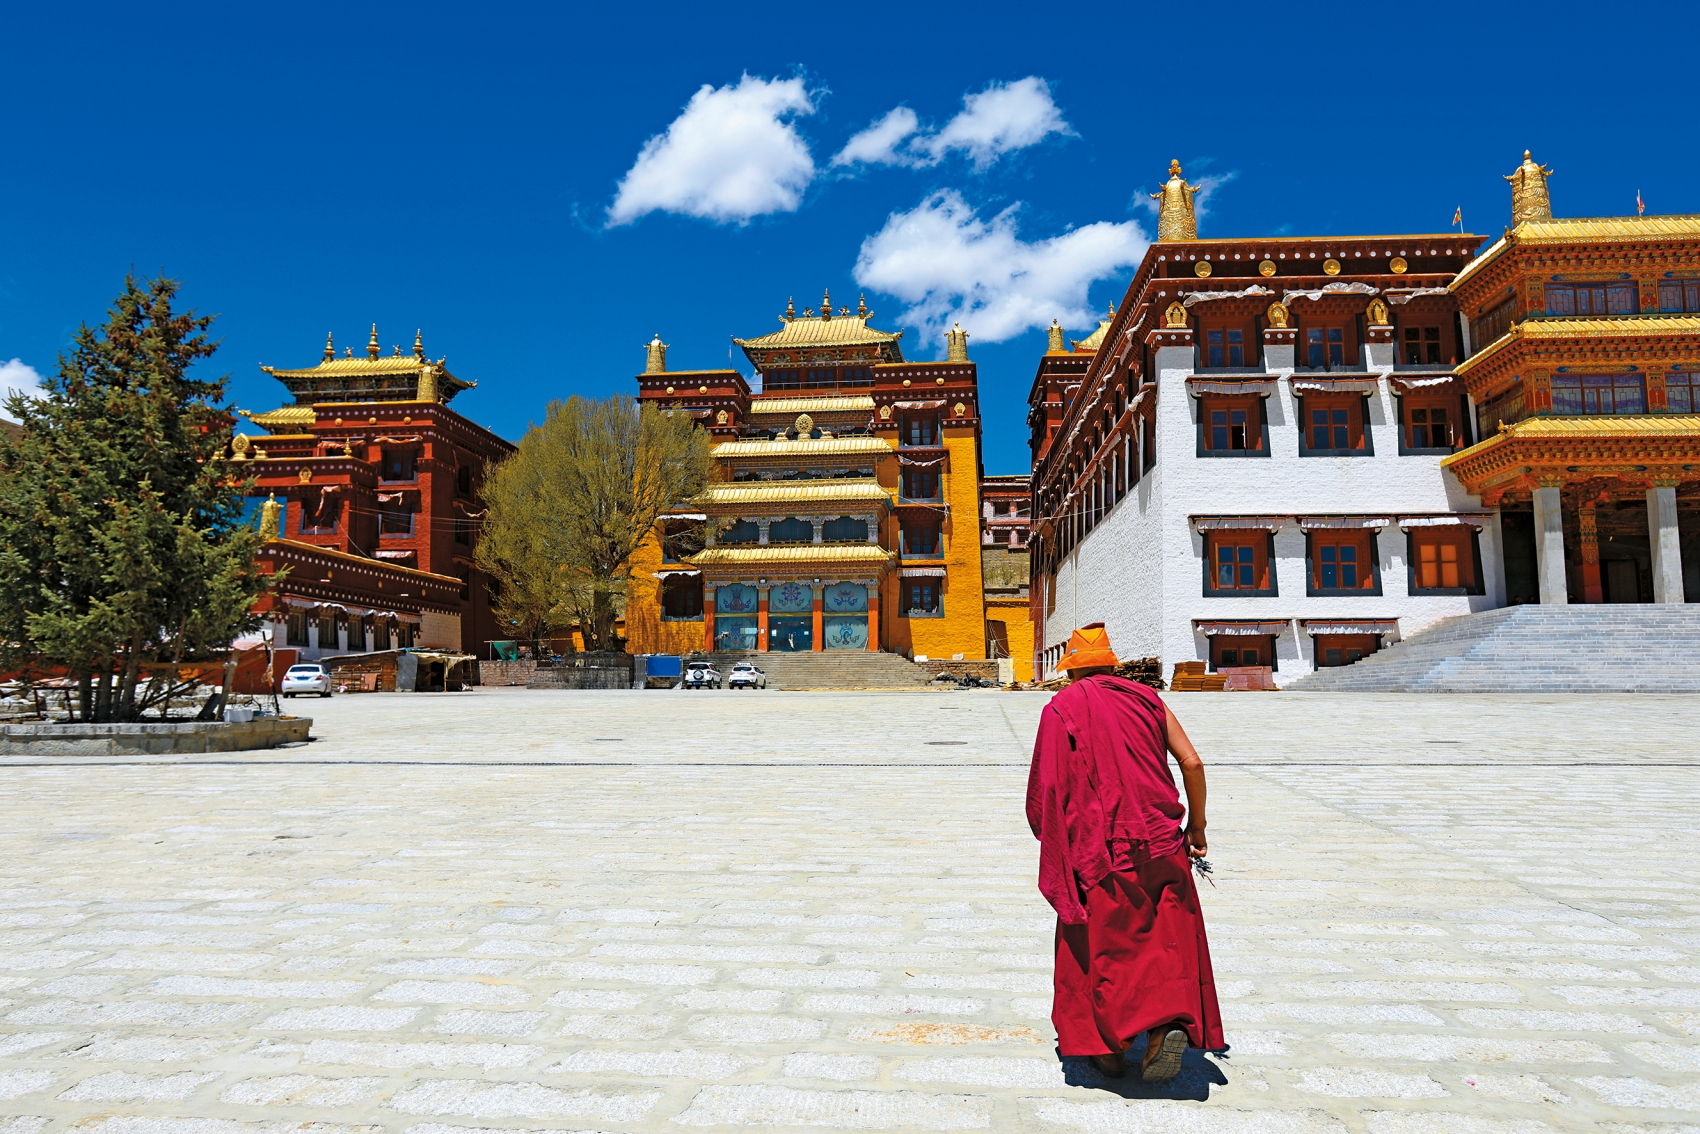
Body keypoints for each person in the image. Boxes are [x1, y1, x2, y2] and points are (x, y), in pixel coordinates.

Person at [1026, 622, 1223, 1082]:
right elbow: (1191, 763)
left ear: (1071, 670)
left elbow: (1047, 788)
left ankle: (1108, 1049)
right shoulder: (1148, 699)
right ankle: (1165, 1026)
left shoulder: (1061, 708)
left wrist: (1054, 837)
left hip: (1101, 847)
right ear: (1111, 665)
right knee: (1165, 937)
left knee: (1102, 944)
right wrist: (1197, 825)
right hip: (1162, 838)